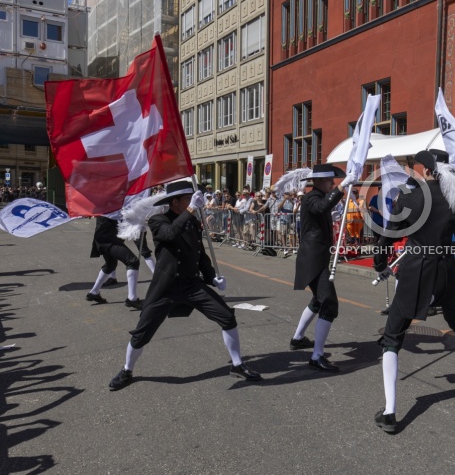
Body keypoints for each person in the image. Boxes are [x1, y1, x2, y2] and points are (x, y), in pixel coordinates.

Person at [372, 150, 455, 433]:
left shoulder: (411, 196)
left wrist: (379, 263)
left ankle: (390, 411)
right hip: (445, 268)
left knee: (392, 335)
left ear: (425, 170)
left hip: (417, 269)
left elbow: (390, 234)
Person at [108, 180, 261, 390]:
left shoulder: (192, 221)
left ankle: (237, 364)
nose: (193, 202)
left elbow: (200, 254)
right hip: (166, 286)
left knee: (227, 317)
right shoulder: (158, 220)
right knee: (142, 332)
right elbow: (170, 234)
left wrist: (212, 277)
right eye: (188, 199)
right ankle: (127, 369)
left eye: (192, 199)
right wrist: (190, 210)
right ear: (175, 202)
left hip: (191, 283)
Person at [289, 164, 356, 372]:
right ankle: (317, 356)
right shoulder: (311, 197)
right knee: (329, 303)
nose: (333, 184)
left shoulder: (318, 197)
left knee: (318, 300)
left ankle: (298, 338)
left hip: (317, 258)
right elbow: (320, 207)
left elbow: (322, 210)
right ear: (318, 181)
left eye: (334, 181)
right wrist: (342, 188)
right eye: (330, 180)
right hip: (313, 259)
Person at [86, 213, 156, 310]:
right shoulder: (109, 206)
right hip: (107, 238)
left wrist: (138, 224)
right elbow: (122, 215)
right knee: (132, 261)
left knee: (110, 264)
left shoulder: (108, 206)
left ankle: (93, 293)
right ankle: (132, 299)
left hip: (104, 237)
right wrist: (137, 224)